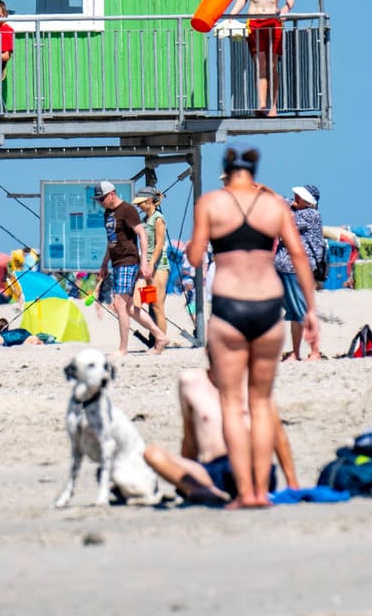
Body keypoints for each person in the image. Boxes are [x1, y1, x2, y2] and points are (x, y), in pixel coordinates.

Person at [188, 146, 317, 508]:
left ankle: (245, 493)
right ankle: (263, 491)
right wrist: (311, 310)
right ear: (255, 170)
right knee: (261, 403)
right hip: (268, 305)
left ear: (226, 171)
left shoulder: (211, 203)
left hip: (229, 307)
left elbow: (196, 257)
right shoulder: (275, 206)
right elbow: (298, 255)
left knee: (231, 403)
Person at [143, 368, 299, 504]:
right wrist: (185, 479)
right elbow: (190, 441)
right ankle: (204, 491)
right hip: (210, 472)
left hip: (251, 465)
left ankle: (223, 492)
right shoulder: (191, 382)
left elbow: (278, 437)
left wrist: (293, 485)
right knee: (152, 453)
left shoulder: (253, 380)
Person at [96, 181, 166, 356]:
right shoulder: (108, 213)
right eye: (98, 199)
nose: (100, 202)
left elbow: (142, 235)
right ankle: (160, 336)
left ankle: (123, 348)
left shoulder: (128, 210)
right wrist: (104, 263)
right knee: (130, 308)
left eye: (102, 198)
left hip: (130, 261)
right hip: (117, 262)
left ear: (112, 194)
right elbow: (111, 241)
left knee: (120, 304)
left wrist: (144, 263)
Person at [224, 0, 294, 116]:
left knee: (273, 64)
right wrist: (231, 16)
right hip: (254, 22)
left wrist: (285, 10)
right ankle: (262, 104)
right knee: (260, 64)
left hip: (273, 21)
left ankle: (273, 107)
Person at [273, 184, 326, 361]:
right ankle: (296, 352)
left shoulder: (310, 214)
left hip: (298, 270)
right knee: (296, 313)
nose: (294, 198)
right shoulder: (297, 210)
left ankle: (315, 350)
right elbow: (278, 200)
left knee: (302, 311)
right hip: (286, 269)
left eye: (299, 196)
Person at [135, 189, 173, 346]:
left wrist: (150, 264)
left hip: (158, 267)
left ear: (149, 201)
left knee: (157, 306)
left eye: (141, 203)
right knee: (144, 303)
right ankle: (156, 336)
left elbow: (159, 244)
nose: (139, 206)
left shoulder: (158, 219)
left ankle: (160, 342)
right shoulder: (145, 219)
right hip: (147, 268)